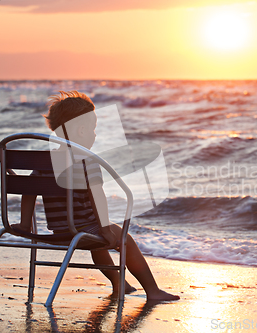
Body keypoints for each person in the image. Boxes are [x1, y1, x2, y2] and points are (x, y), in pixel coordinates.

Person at [12, 90, 179, 301]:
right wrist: (104, 228)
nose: (95, 134)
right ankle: (152, 290)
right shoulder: (87, 160)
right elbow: (97, 195)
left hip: (60, 230)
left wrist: (25, 224)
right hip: (81, 229)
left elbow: (28, 190)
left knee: (98, 243)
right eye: (92, 129)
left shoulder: (44, 162)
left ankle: (120, 284)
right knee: (122, 238)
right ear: (81, 130)